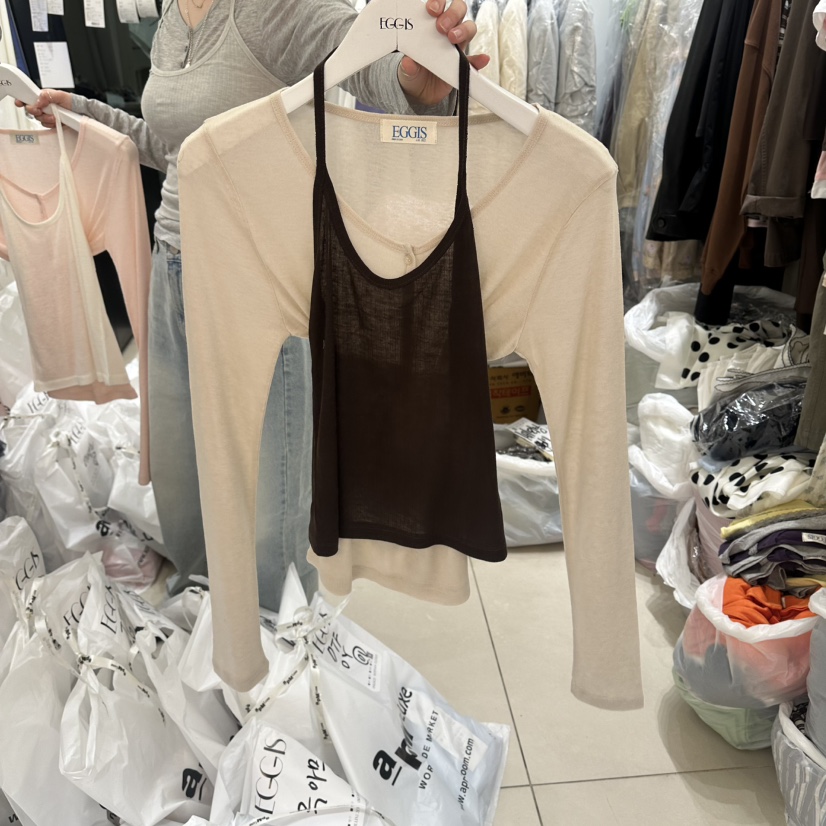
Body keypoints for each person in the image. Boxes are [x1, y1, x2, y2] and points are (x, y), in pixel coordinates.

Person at [19, 0, 488, 609]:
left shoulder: (277, 9)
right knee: (184, 478)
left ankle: (278, 637)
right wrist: (83, 114)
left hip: (257, 276)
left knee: (273, 497)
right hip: (174, 268)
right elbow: (174, 146)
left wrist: (413, 84)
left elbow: (369, 65)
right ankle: (204, 615)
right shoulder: (171, 20)